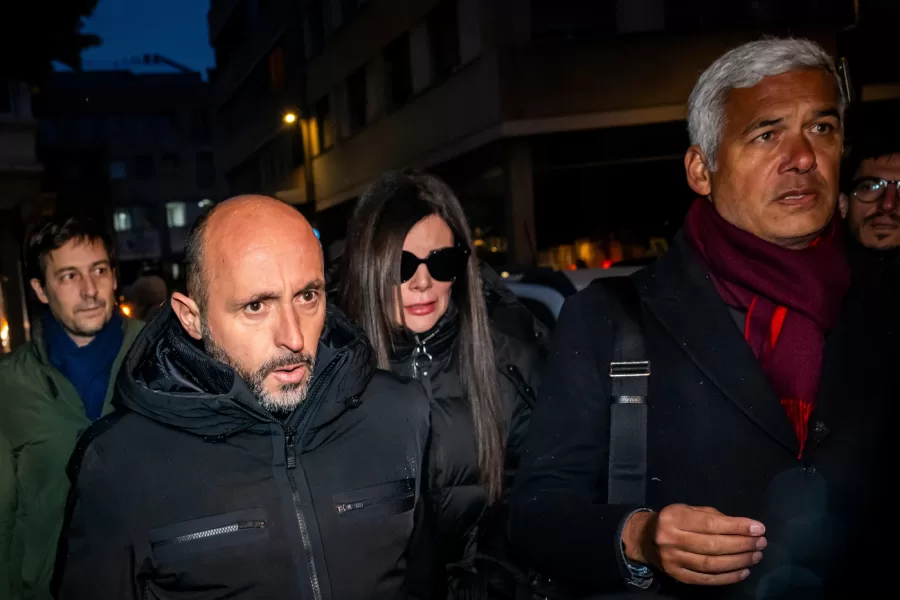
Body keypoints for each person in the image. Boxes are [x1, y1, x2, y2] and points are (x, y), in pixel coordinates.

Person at [509, 38, 890, 600]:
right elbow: (537, 512)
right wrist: (637, 538)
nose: (803, 156)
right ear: (701, 169)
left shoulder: (885, 302)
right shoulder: (612, 318)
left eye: (823, 128)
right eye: (767, 133)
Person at [54, 196, 434, 600]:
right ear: (191, 317)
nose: (294, 337)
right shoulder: (119, 465)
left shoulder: (400, 415)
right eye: (256, 306)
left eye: (307, 297)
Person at [335, 171, 547, 597]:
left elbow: (537, 494)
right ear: (369, 266)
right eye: (402, 264)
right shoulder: (330, 369)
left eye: (442, 262)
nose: (422, 282)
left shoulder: (509, 359)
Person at [0, 214, 142, 600]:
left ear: (114, 276)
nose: (90, 290)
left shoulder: (160, 359)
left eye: (98, 270)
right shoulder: (10, 386)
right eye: (68, 276)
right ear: (41, 290)